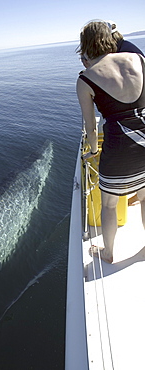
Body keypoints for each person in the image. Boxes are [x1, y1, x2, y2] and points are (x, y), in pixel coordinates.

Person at [76, 20, 145, 263]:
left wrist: (93, 151)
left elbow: (91, 127)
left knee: (108, 205)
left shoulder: (86, 79)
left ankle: (108, 252)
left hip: (118, 148)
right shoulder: (139, 59)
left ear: (85, 46)